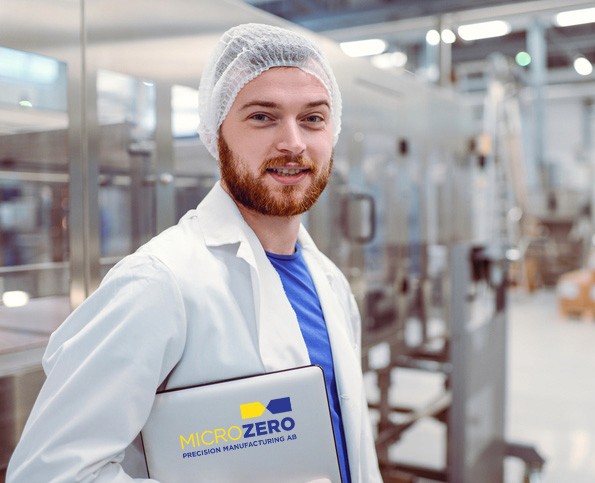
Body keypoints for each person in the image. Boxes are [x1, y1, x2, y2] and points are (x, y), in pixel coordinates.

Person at [7, 23, 382, 482]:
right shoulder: (158, 282)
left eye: (313, 118)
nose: (294, 142)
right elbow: (48, 474)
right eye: (262, 116)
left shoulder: (329, 283)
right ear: (216, 133)